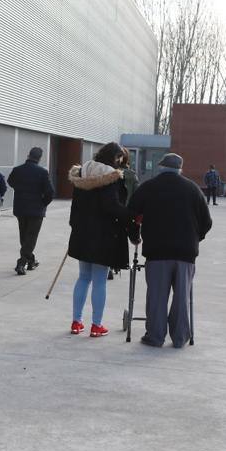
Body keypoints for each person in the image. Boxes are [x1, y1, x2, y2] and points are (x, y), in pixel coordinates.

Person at [127, 152, 211, 348]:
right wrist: (194, 238)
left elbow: (131, 214)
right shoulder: (193, 189)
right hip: (185, 253)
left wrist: (134, 235)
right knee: (182, 297)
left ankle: (155, 337)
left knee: (157, 296)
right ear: (180, 169)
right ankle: (180, 338)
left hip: (157, 251)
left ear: (161, 167)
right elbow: (206, 222)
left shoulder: (148, 187)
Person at [67, 142, 133, 337]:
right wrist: (130, 214)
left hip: (82, 234)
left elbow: (75, 209)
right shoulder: (111, 177)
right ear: (115, 158)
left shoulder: (82, 174)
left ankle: (76, 322)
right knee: (99, 281)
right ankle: (96, 325)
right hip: (103, 236)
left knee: (83, 277)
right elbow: (111, 206)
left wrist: (76, 227)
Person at [8, 146, 55, 275]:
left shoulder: (18, 170)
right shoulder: (42, 172)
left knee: (24, 236)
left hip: (20, 207)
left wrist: (21, 189)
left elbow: (10, 181)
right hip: (36, 210)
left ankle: (31, 261)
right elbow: (50, 192)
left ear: (28, 155)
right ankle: (22, 263)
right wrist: (43, 203)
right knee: (31, 237)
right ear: (39, 158)